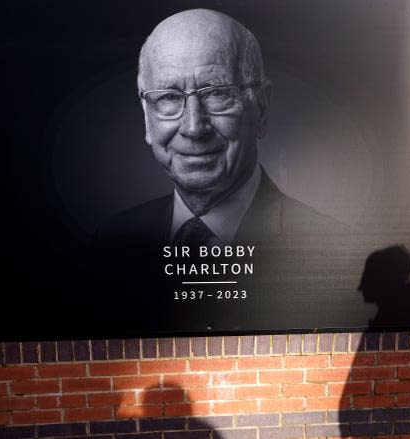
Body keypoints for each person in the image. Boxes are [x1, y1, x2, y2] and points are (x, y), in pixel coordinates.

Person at [91, 9, 350, 332]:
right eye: (169, 97)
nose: (193, 127)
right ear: (147, 116)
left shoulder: (332, 249)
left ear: (262, 108)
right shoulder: (111, 245)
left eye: (217, 93)